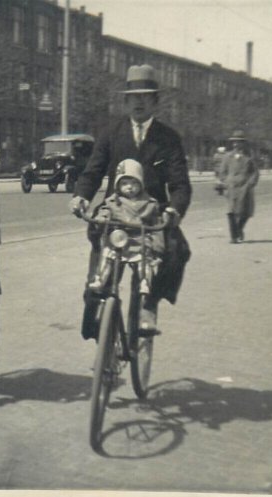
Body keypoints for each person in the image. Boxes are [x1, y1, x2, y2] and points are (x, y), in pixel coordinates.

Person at [69, 63, 192, 337]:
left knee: (175, 251)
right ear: (125, 101)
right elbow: (93, 171)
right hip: (116, 212)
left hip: (152, 214)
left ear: (155, 101)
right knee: (98, 269)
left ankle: (150, 304)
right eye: (133, 96)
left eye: (145, 96)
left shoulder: (169, 139)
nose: (139, 102)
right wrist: (80, 197)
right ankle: (94, 305)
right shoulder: (110, 133)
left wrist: (174, 210)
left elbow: (181, 184)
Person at [87, 159, 165, 296]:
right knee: (106, 254)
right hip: (119, 240)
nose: (129, 187)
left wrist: (157, 248)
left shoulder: (150, 203)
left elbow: (156, 226)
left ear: (141, 184)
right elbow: (105, 211)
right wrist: (102, 218)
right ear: (118, 186)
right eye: (124, 183)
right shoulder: (113, 201)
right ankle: (100, 279)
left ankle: (145, 282)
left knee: (145, 261)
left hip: (139, 240)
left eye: (134, 183)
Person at [217, 130, 259, 243]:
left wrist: (250, 184)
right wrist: (225, 181)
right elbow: (222, 172)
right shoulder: (227, 156)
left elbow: (255, 172)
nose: (236, 144)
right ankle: (233, 236)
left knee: (245, 212)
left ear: (244, 143)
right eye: (234, 142)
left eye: (239, 142)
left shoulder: (249, 157)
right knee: (231, 211)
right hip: (231, 187)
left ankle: (239, 229)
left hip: (245, 187)